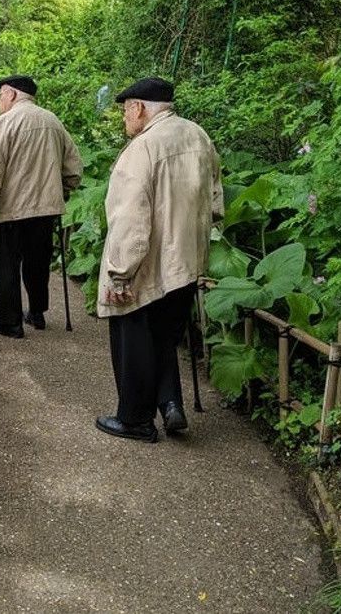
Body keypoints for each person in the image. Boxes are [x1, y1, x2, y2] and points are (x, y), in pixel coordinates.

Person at [95, 77, 223, 443]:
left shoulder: (142, 148)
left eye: (125, 110)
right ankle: (170, 403)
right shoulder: (198, 136)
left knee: (132, 336)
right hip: (188, 261)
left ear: (139, 108)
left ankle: (135, 420)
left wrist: (120, 274)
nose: (124, 118)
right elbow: (215, 201)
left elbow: (130, 218)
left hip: (148, 264)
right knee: (164, 338)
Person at [0, 74, 82, 338]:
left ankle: (9, 323)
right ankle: (37, 313)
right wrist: (64, 191)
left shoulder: (4, 123)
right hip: (46, 209)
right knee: (38, 262)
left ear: (11, 94)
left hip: (11, 209)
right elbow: (73, 168)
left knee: (6, 265)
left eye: (0, 95)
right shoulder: (53, 122)